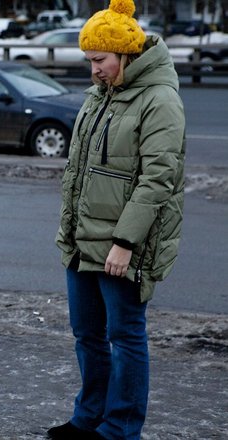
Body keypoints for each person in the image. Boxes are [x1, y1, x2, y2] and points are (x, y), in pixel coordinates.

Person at [51, 0, 185, 439]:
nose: (93, 70)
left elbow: (157, 179)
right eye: (89, 61)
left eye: (100, 60)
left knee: (125, 337)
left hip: (123, 247)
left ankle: (120, 429)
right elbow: (78, 171)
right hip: (84, 241)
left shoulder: (159, 99)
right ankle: (88, 419)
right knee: (87, 335)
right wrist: (69, 231)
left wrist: (124, 242)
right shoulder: (99, 96)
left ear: (125, 55)